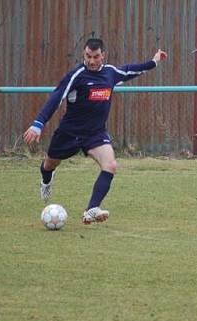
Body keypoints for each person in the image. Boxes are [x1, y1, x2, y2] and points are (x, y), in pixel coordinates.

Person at [23, 38, 167, 225]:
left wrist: (154, 61)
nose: (91, 61)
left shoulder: (110, 73)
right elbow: (56, 97)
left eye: (96, 57)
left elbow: (132, 69)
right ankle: (46, 179)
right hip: (70, 132)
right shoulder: (77, 75)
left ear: (103, 55)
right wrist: (38, 123)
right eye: (88, 56)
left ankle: (91, 209)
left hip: (95, 134)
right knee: (50, 164)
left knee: (111, 165)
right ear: (84, 55)